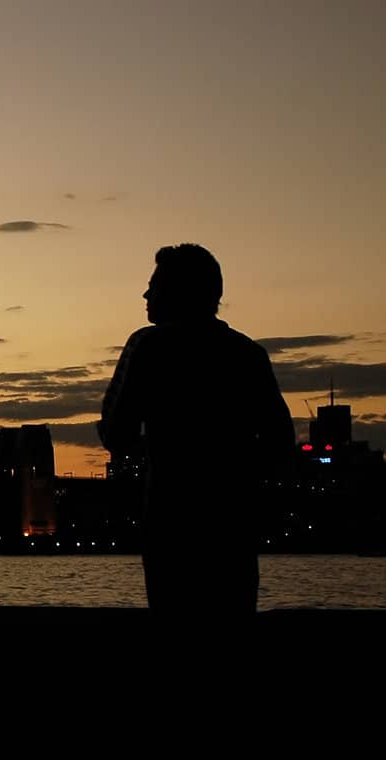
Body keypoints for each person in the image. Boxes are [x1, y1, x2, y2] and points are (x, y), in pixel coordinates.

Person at [98, 244, 294, 614]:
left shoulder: (148, 346)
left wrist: (159, 446)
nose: (145, 294)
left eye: (154, 286)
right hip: (232, 530)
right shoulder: (248, 353)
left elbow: (115, 434)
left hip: (171, 526)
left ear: (176, 293)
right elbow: (280, 444)